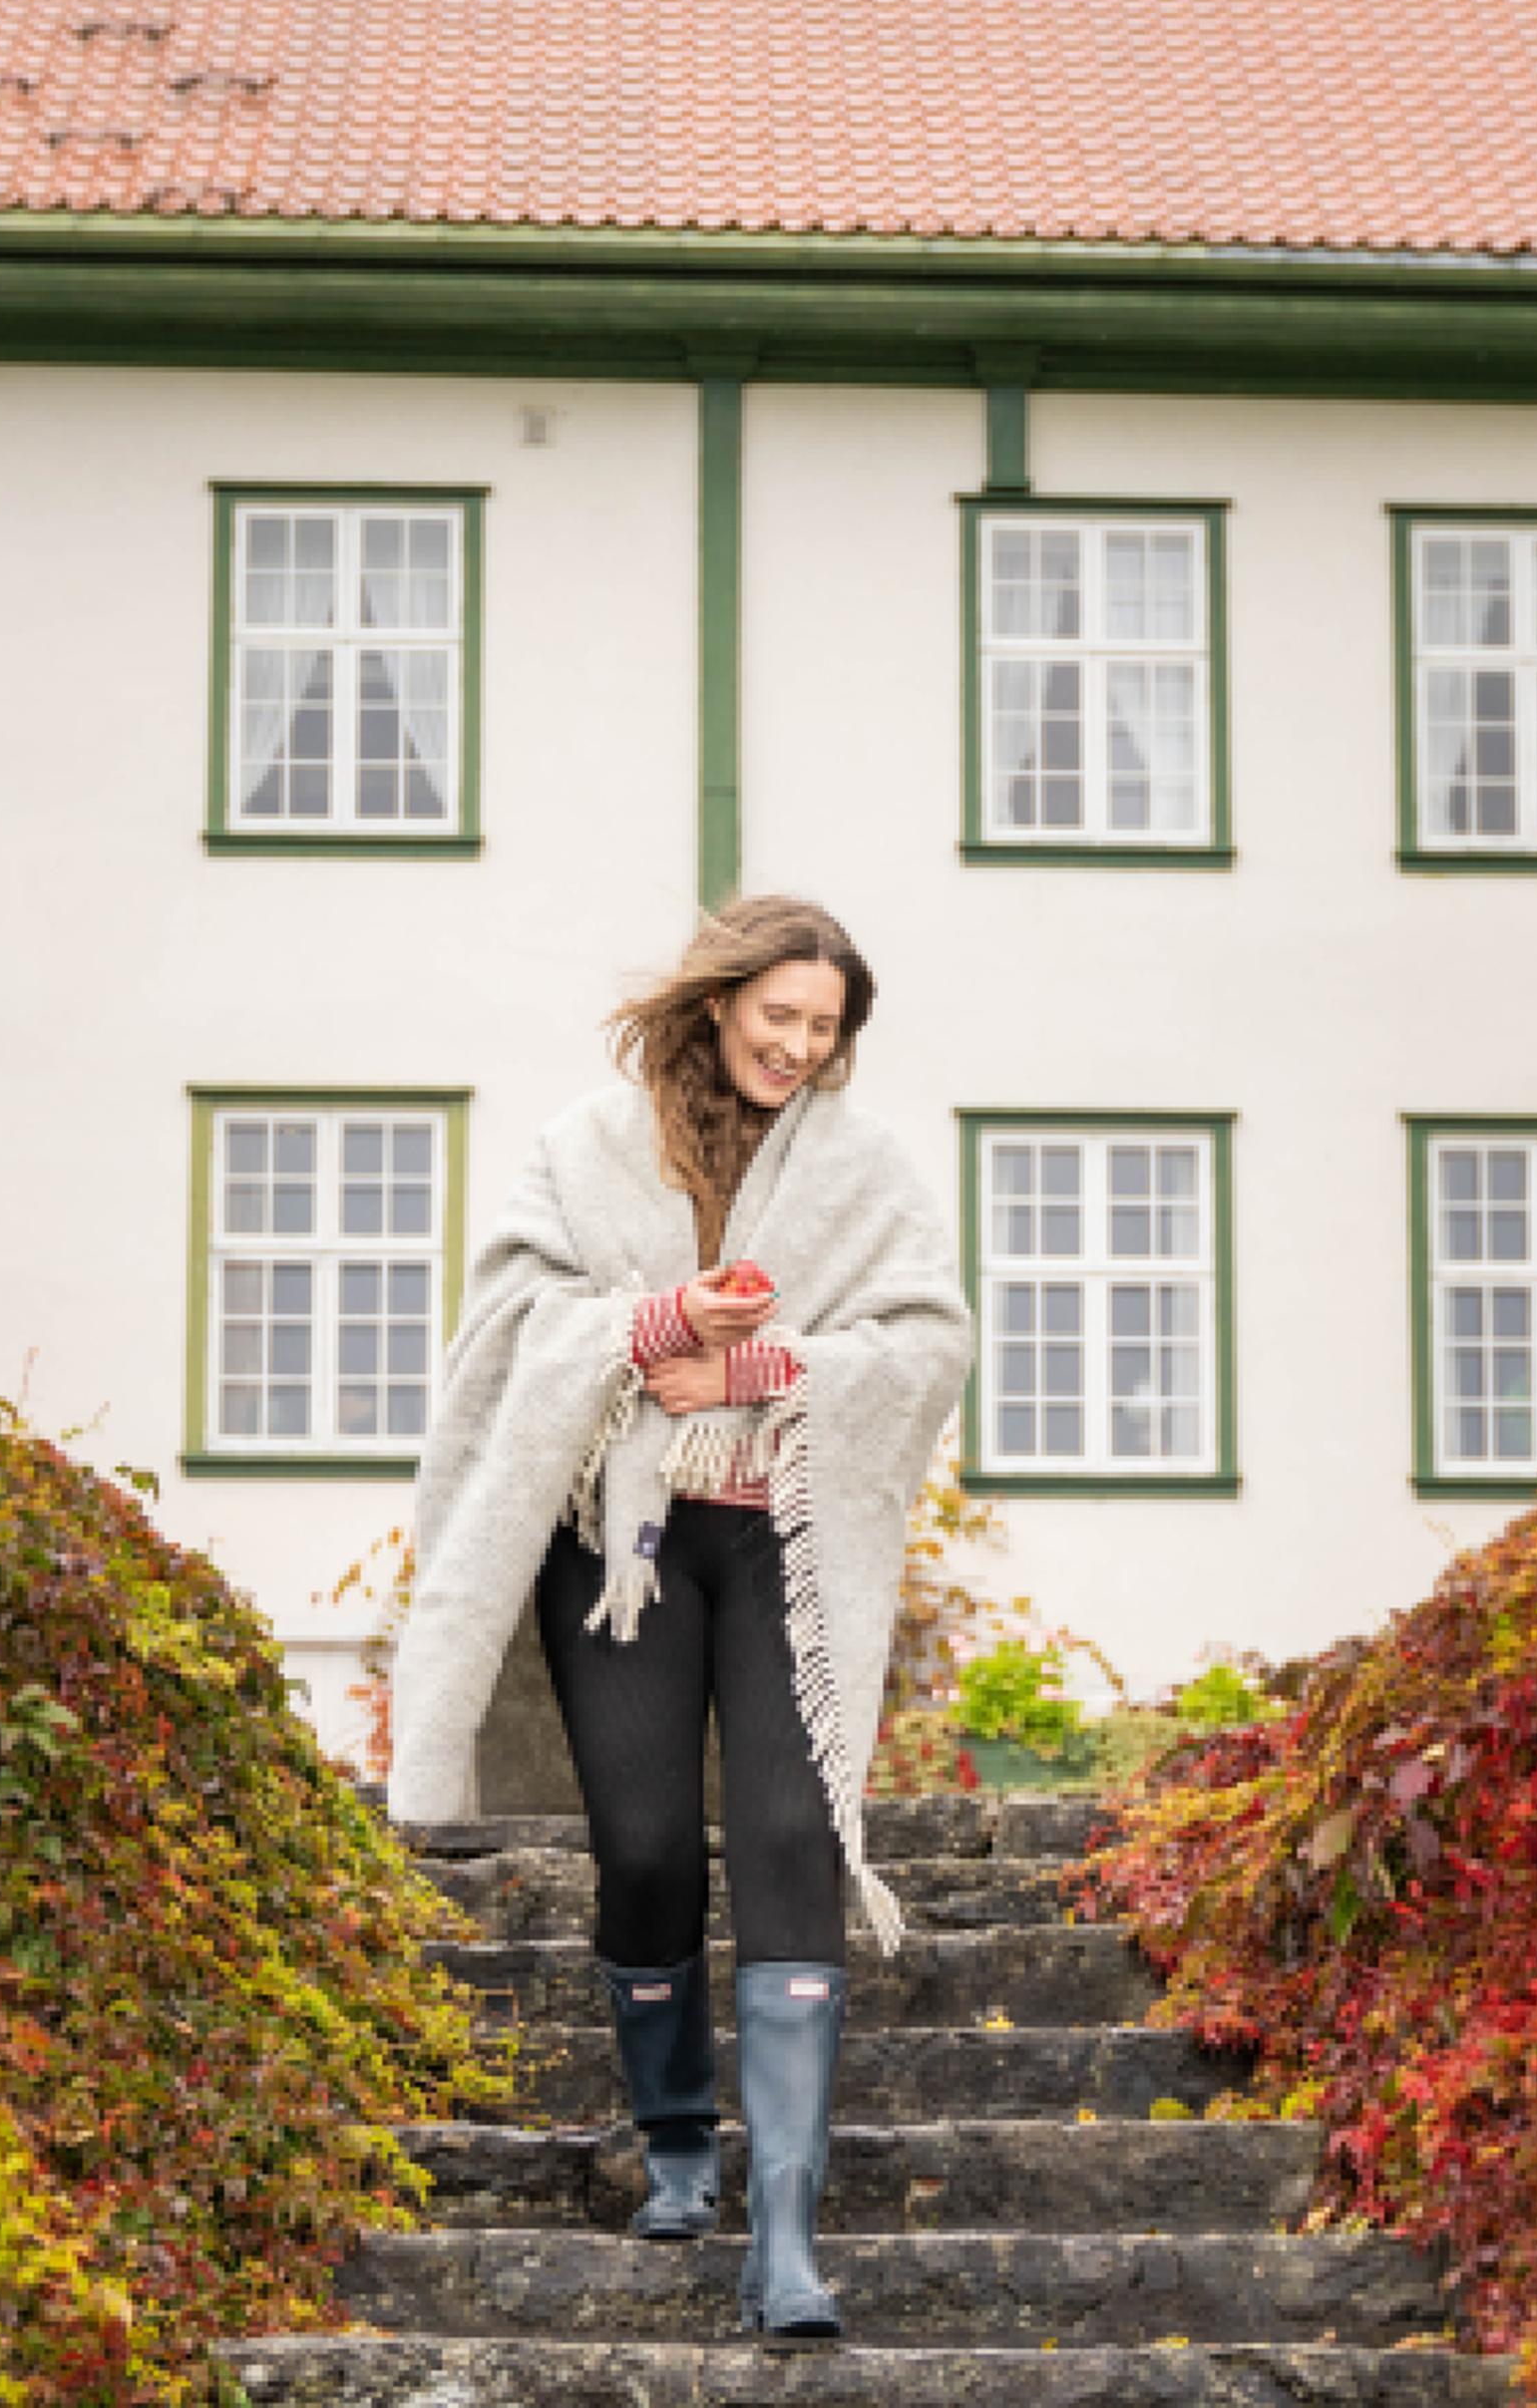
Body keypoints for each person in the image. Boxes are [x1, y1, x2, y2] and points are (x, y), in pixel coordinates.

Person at [385, 892, 974, 2349]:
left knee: (787, 1839)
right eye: (779, 1013)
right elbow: (507, 1329)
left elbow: (928, 1338)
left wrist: (768, 1366)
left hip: (785, 1539)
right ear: (719, 1001)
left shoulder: (870, 1166)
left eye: (824, 1027)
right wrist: (651, 1335)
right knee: (644, 1848)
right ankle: (673, 2141)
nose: (797, 1043)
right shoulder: (583, 1146)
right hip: (622, 1542)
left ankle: (782, 2237)